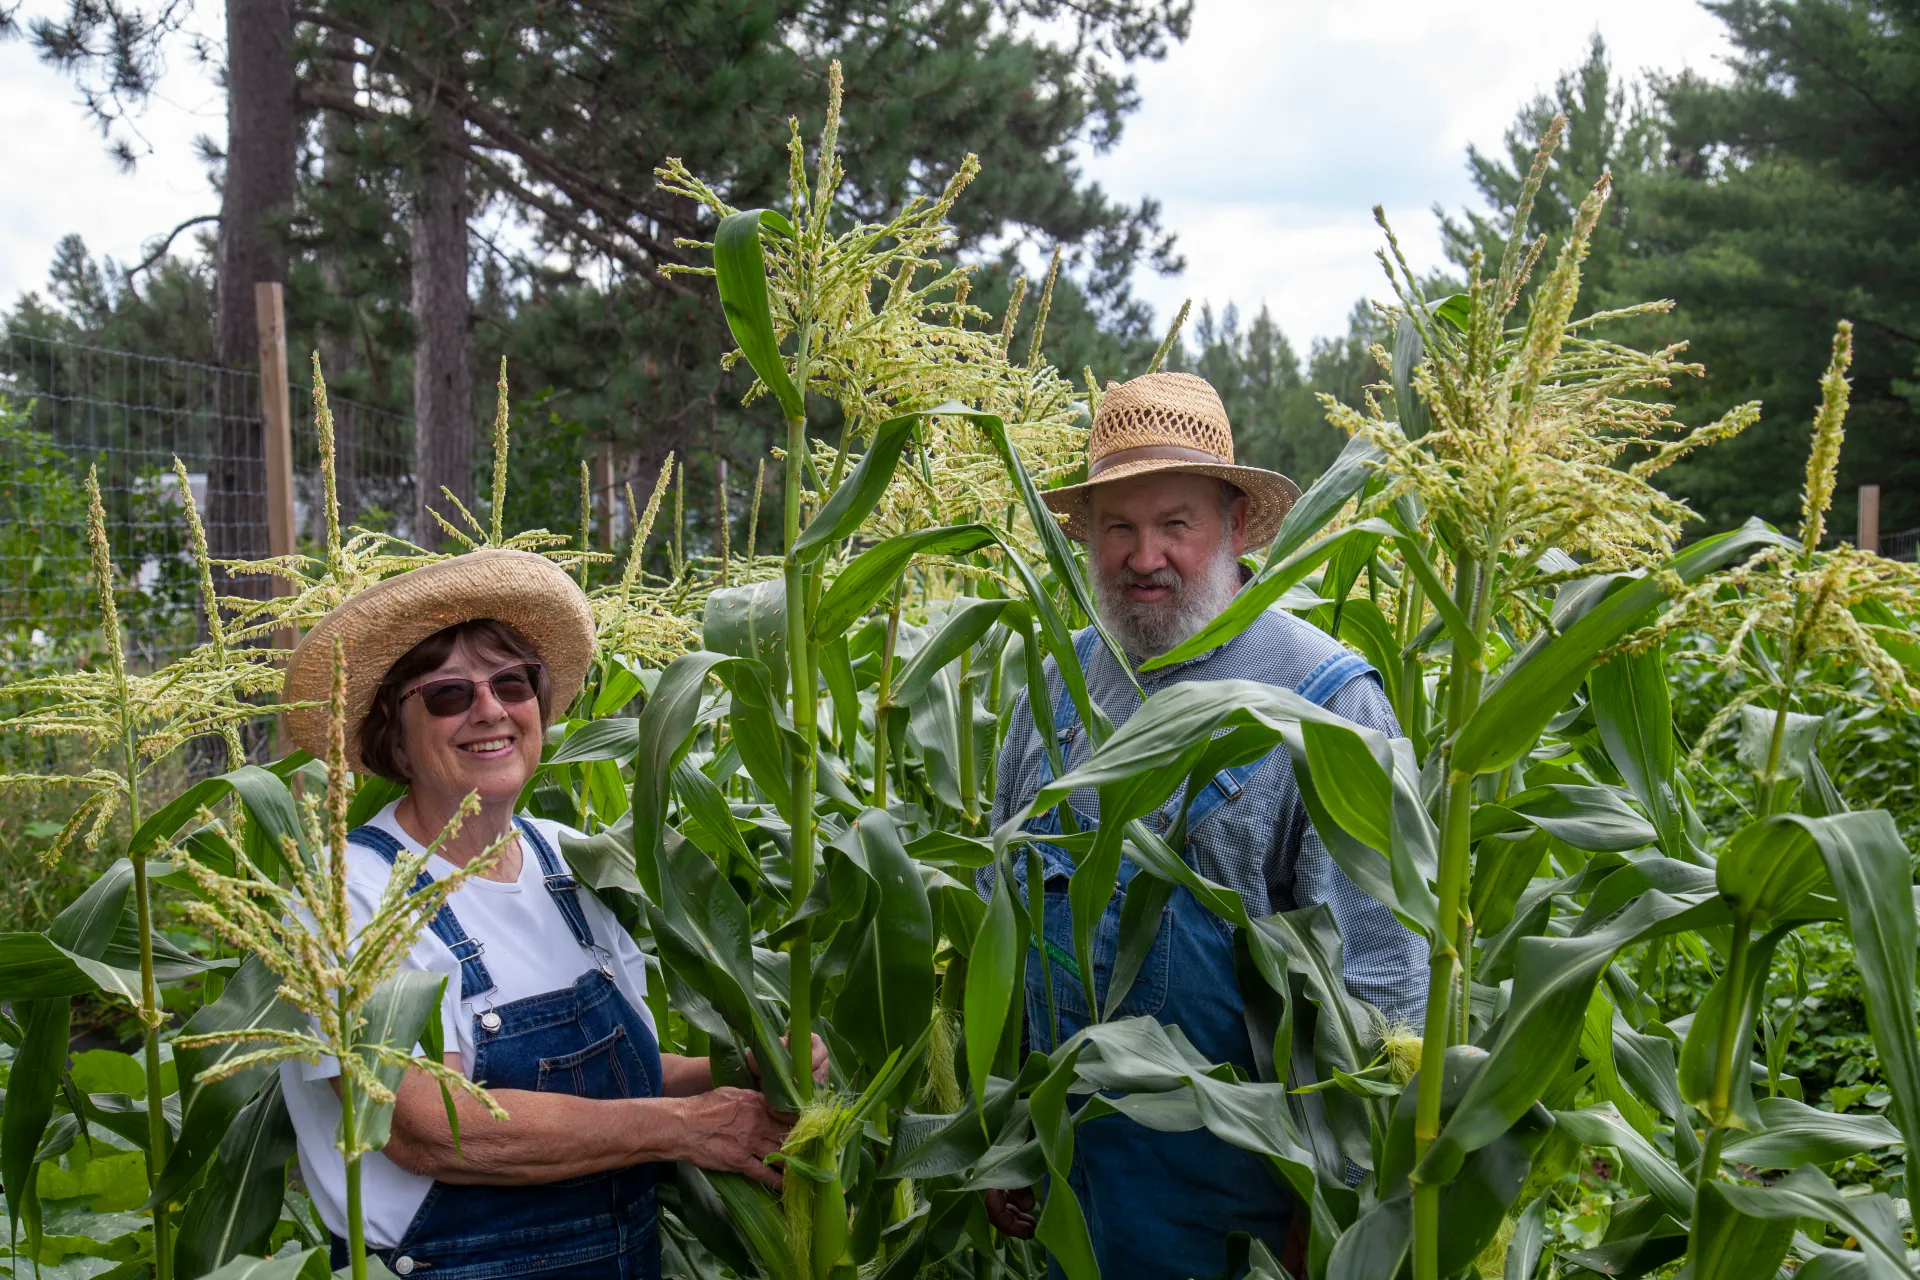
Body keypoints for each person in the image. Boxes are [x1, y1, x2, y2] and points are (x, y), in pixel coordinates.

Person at [978, 373, 1426, 1277]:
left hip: (1242, 1207)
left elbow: (1381, 983)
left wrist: (1333, 1215)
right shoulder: (1056, 687)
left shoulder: (1327, 703)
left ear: (1233, 526)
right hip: (1074, 1191)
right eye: (1118, 527)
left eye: (1174, 523)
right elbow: (1003, 915)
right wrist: (1006, 1120)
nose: (1144, 556)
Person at [278, 549, 825, 1280]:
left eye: (512, 682)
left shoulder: (574, 861)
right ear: (392, 733)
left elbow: (612, 1079)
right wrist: (690, 1129)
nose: (491, 710)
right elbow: (428, 1129)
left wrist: (744, 1076)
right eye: (447, 695)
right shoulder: (348, 897)